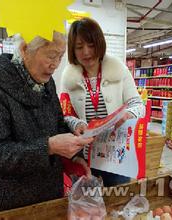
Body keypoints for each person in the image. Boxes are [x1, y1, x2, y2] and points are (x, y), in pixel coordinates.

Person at [0, 32, 93, 214]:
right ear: (24, 50)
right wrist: (48, 147)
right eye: (51, 56)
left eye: (61, 56)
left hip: (48, 197)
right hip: (7, 203)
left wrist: (74, 158)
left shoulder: (47, 83)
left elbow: (57, 125)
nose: (55, 65)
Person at [60, 18, 145, 187]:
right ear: (72, 50)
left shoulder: (119, 70)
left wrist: (128, 114)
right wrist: (77, 123)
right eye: (79, 47)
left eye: (91, 45)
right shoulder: (68, 78)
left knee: (116, 204)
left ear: (100, 44)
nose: (86, 52)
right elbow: (63, 115)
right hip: (84, 157)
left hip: (116, 157)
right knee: (87, 207)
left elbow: (139, 105)